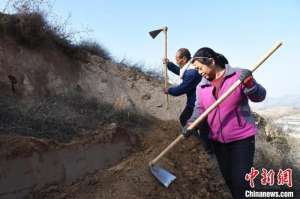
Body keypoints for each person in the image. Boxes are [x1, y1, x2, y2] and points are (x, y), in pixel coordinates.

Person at [184, 47, 266, 199]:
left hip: (242, 139)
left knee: (241, 182)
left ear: (211, 62)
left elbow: (260, 96)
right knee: (229, 180)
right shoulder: (201, 86)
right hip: (218, 141)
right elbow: (199, 109)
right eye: (196, 69)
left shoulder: (238, 76)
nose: (199, 72)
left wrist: (250, 84)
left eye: (199, 68)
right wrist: (191, 124)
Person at [163, 48, 202, 127]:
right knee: (187, 120)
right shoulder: (190, 67)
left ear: (184, 59)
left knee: (185, 119)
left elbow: (181, 89)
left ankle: (194, 138)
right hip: (195, 101)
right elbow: (181, 72)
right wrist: (169, 64)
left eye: (177, 59)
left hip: (197, 103)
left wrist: (169, 90)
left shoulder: (192, 73)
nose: (176, 62)